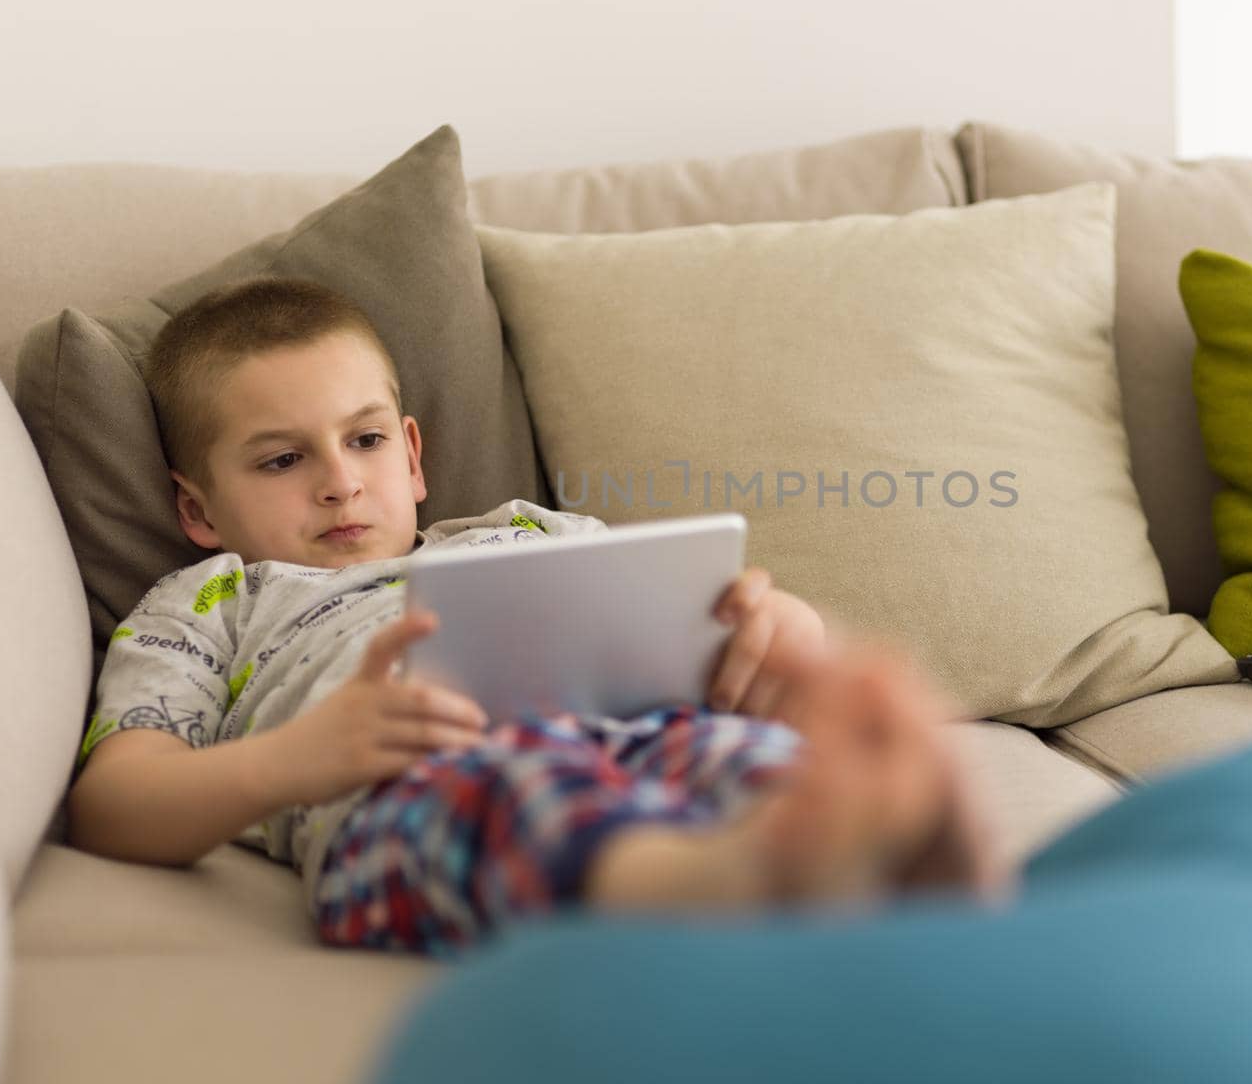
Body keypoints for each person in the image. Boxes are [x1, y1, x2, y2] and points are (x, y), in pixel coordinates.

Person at [65, 278, 1006, 958]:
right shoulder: (211, 602)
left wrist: (772, 630)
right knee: (515, 794)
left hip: (641, 730)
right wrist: (295, 761)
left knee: (748, 760)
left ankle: (869, 861)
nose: (341, 480)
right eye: (280, 461)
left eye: (364, 440)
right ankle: (714, 887)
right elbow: (115, 805)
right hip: (401, 800)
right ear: (197, 511)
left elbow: (708, 643)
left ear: (414, 455)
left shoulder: (528, 530)